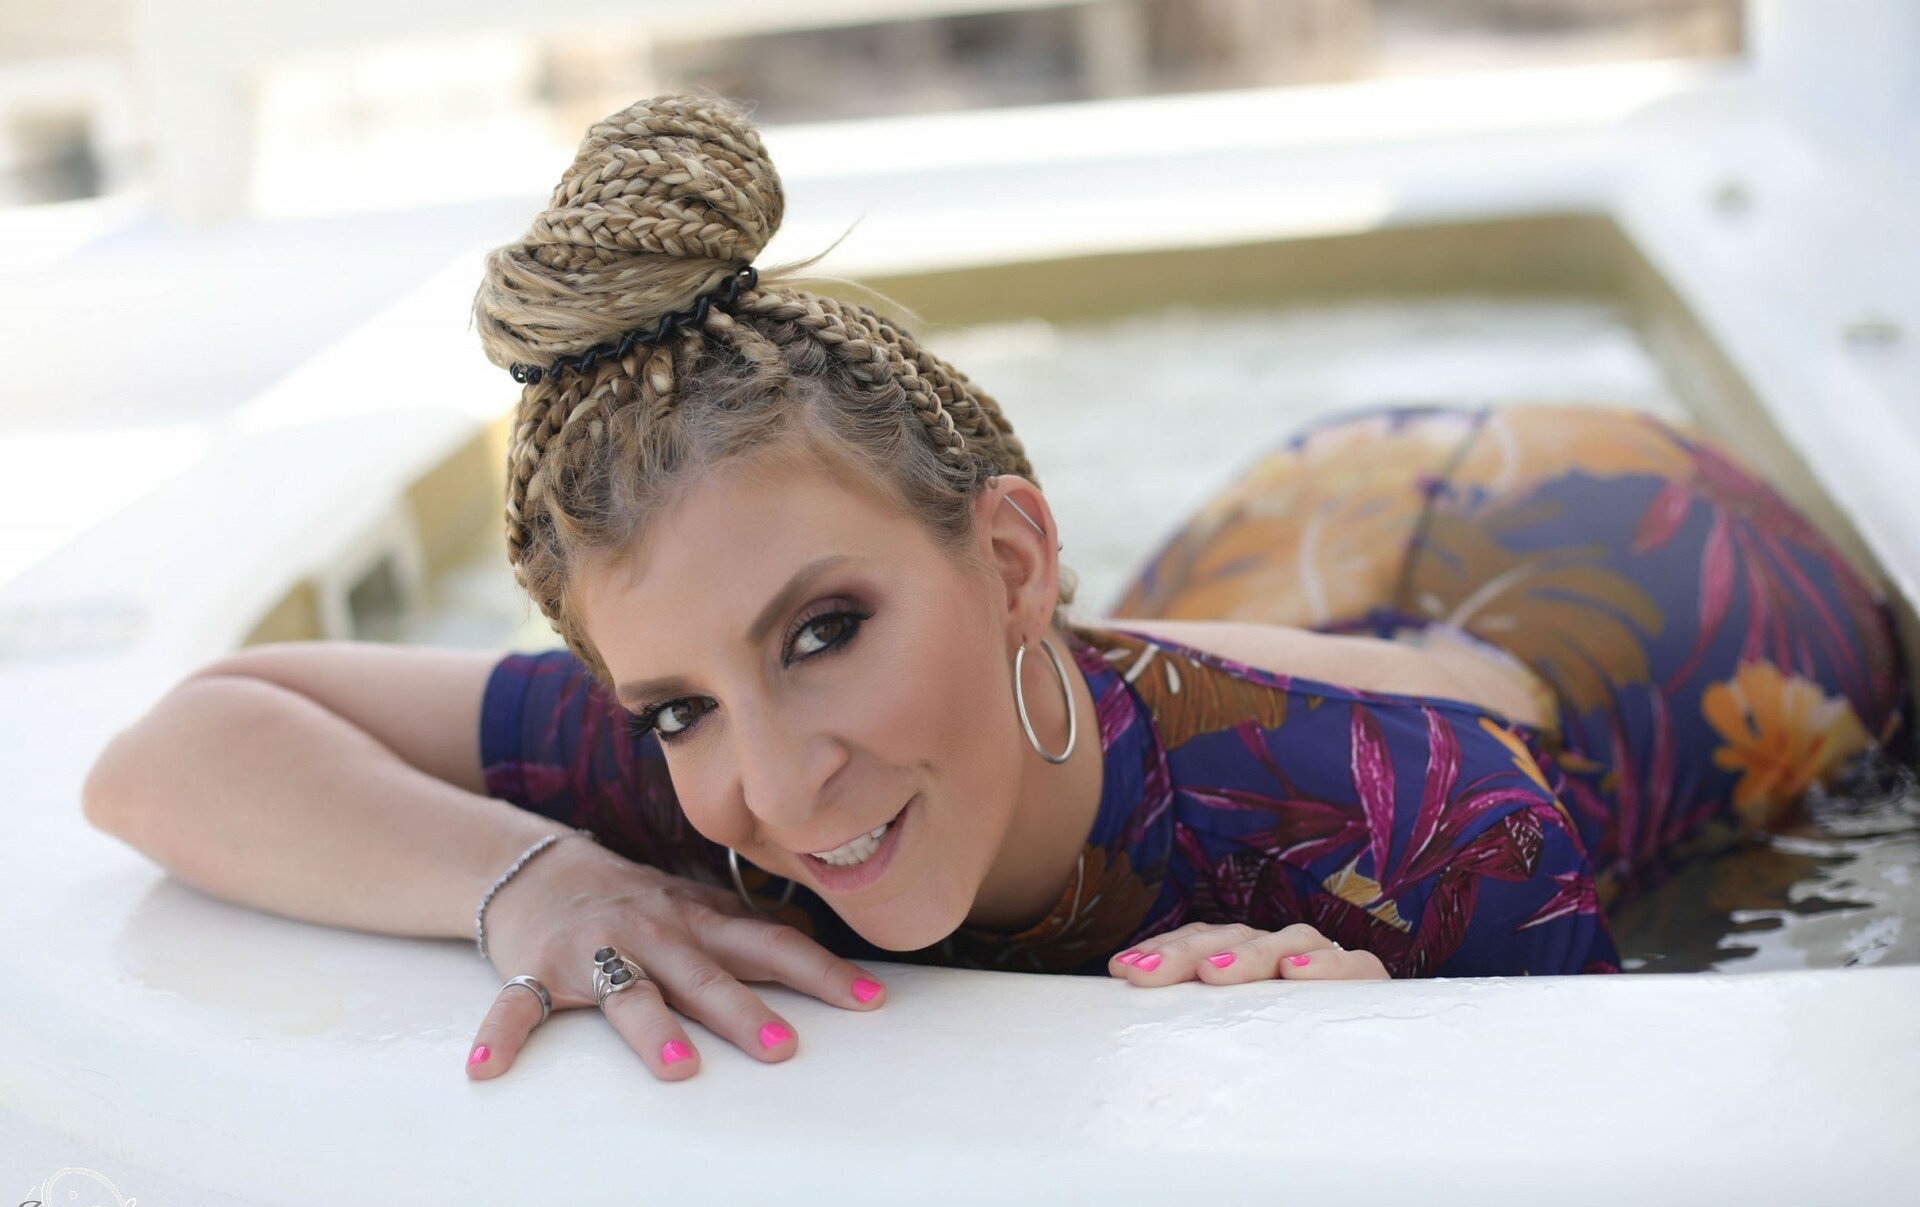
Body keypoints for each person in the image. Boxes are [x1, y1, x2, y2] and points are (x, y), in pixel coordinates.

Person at [82, 93, 1907, 1087]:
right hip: (1300, 538)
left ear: (1013, 555)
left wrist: (1386, 1039)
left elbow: (1623, 1157)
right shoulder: (713, 771)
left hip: (1658, 590)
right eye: (679, 705)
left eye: (824, 630)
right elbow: (170, 753)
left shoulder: (1433, 835)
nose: (778, 782)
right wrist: (539, 878)